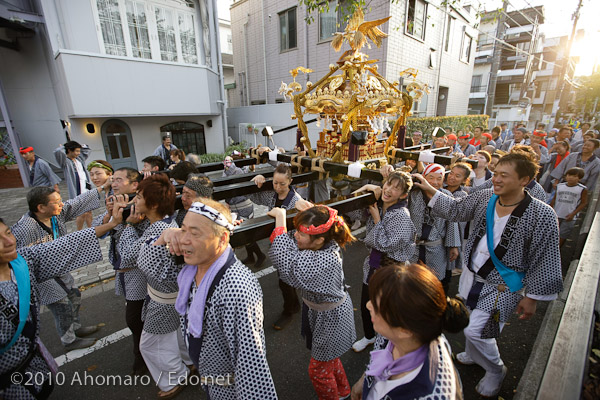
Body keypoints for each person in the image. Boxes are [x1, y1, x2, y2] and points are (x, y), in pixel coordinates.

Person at [412, 148, 564, 397]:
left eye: (505, 175)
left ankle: (495, 370)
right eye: (497, 173)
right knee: (472, 322)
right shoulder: (485, 197)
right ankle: (474, 354)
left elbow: (546, 257)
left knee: (479, 330)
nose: (497, 179)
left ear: (524, 180)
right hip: (473, 275)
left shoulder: (542, 213)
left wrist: (533, 297)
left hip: (503, 284)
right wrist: (428, 187)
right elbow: (456, 210)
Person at [155, 199, 278, 399]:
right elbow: (151, 268)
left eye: (194, 233)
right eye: (182, 229)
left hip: (229, 388)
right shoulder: (190, 268)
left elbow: (251, 363)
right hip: (209, 379)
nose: (184, 239)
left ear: (222, 239)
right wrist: (164, 236)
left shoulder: (237, 289)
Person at [0, 216, 118, 399]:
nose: (9, 242)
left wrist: (111, 225)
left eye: (8, 233)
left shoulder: (22, 262)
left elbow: (65, 245)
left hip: (34, 366)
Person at [114, 174, 192, 398]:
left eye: (138, 197)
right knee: (176, 336)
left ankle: (176, 377)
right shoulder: (165, 223)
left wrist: (128, 225)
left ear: (154, 204)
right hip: (171, 295)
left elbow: (126, 257)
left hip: (163, 299)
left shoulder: (159, 232)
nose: (134, 201)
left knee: (151, 343)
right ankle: (188, 363)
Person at [268, 204, 356, 400]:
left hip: (331, 318)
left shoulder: (323, 260)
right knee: (330, 359)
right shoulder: (324, 246)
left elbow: (285, 260)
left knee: (318, 370)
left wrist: (281, 219)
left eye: (301, 234)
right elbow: (294, 250)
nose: (295, 236)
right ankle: (343, 392)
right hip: (328, 312)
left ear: (319, 240)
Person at [11, 180, 111, 350]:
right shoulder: (25, 228)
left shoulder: (56, 213)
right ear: (41, 208)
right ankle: (68, 339)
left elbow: (75, 204)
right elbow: (20, 259)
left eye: (60, 200)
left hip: (58, 267)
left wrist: (102, 187)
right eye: (56, 202)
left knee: (74, 295)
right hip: (38, 273)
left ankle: (76, 328)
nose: (61, 204)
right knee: (61, 305)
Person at [350, 263, 470, 400]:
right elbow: (379, 358)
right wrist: (365, 380)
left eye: (377, 306)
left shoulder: (431, 394)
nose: (368, 305)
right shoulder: (398, 333)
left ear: (404, 330)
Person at [350, 170, 416, 353]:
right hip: (372, 265)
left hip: (391, 270)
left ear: (403, 195)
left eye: (396, 188)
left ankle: (384, 343)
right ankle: (369, 336)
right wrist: (363, 191)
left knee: (384, 309)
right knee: (366, 304)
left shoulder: (401, 215)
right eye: (388, 184)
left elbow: (385, 244)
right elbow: (353, 211)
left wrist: (377, 219)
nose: (388, 190)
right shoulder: (378, 204)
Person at [92, 167, 147, 375]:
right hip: (121, 269)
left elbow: (141, 238)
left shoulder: (140, 204)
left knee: (134, 316)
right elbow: (99, 232)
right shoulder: (114, 202)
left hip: (137, 269)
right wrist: (109, 214)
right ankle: (143, 350)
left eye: (119, 180)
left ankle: (140, 354)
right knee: (136, 312)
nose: (113, 183)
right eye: (112, 179)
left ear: (135, 185)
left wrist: (125, 221)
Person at [249, 163, 306, 329]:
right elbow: (254, 197)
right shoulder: (272, 195)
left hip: (292, 246)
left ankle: (290, 309)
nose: (278, 187)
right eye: (275, 183)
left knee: (285, 281)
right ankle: (294, 304)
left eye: (282, 184)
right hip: (277, 243)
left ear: (290, 181)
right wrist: (257, 180)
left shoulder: (296, 201)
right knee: (284, 279)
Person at [408, 163, 460, 291]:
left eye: (439, 178)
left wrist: (453, 245)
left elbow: (451, 221)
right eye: (431, 177)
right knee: (411, 282)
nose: (435, 182)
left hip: (435, 248)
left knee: (433, 283)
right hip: (413, 247)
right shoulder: (413, 194)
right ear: (423, 177)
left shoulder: (446, 195)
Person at [53, 141, 92, 230]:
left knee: (89, 211)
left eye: (79, 151)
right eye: (77, 151)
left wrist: (82, 145)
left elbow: (87, 151)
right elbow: (57, 152)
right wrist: (63, 147)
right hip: (77, 190)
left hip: (85, 187)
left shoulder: (79, 159)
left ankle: (92, 230)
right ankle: (79, 231)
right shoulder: (65, 162)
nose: (79, 153)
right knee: (81, 213)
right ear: (69, 150)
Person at [550, 167, 588, 247]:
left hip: (569, 216)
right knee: (551, 233)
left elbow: (583, 203)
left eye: (574, 176)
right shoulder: (560, 186)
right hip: (556, 213)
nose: (571, 178)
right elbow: (554, 199)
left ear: (579, 178)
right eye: (569, 175)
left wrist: (573, 214)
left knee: (562, 235)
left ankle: (557, 251)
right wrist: (551, 209)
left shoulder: (582, 189)